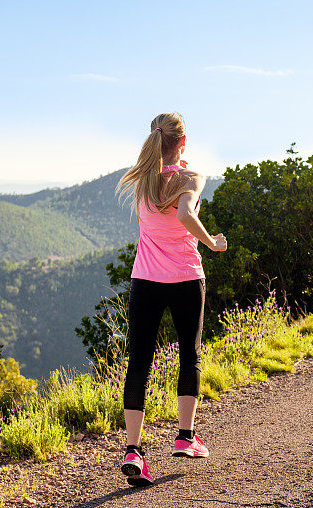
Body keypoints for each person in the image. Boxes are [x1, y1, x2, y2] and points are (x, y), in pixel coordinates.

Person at [116, 112, 227, 486]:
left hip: (145, 280)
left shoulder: (142, 180)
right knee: (189, 353)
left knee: (140, 361)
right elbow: (183, 214)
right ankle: (185, 437)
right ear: (183, 140)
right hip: (185, 279)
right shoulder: (191, 178)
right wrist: (211, 242)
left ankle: (134, 451)